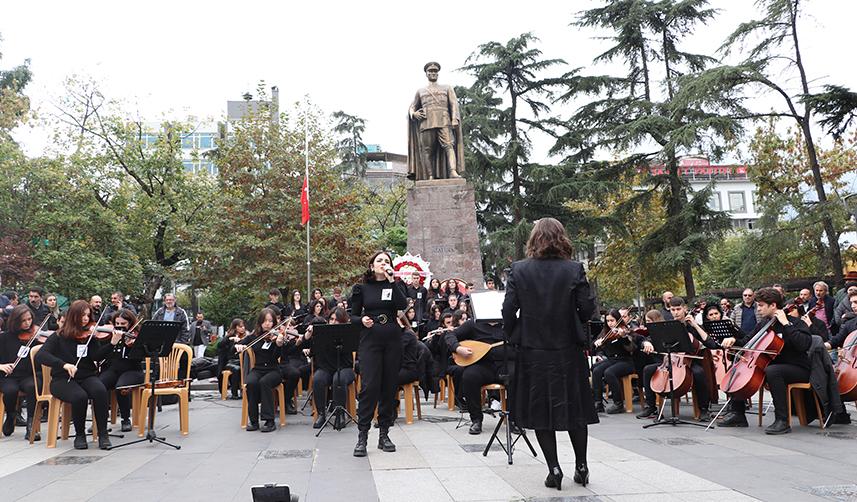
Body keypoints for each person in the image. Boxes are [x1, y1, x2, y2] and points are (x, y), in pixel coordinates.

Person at [502, 218, 597, 490]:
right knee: (575, 406)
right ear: (561, 238)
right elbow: (587, 309)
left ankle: (554, 469)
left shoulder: (519, 270)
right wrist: (572, 321)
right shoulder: (574, 269)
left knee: (541, 408)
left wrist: (515, 332)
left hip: (534, 349)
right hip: (568, 348)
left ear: (534, 239)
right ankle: (581, 465)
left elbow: (509, 309)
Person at [719, 288, 813, 434]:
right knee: (738, 364)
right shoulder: (764, 324)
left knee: (773, 371)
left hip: (798, 368)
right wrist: (734, 341)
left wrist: (786, 324)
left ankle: (782, 420)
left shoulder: (795, 322)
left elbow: (803, 344)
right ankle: (738, 414)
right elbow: (747, 341)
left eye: (761, 305)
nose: (758, 308)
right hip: (773, 367)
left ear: (773, 305)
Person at [35, 300, 120, 449]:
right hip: (62, 380)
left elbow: (96, 356)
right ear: (74, 315)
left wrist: (112, 344)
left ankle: (103, 433)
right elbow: (41, 355)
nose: (86, 319)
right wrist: (63, 364)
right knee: (79, 396)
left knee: (100, 390)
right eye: (83, 315)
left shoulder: (89, 335)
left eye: (88, 315)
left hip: (86, 376)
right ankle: (80, 435)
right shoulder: (58, 336)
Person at [350, 251, 408, 457]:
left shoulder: (394, 285)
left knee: (388, 387)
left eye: (387, 261)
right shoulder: (361, 289)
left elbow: (402, 305)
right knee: (369, 387)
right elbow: (352, 315)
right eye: (380, 261)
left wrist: (393, 281)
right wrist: (362, 320)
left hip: (392, 340)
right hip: (370, 340)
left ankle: (384, 433)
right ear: (372, 265)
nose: (384, 263)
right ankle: (362, 435)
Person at [636, 297, 719, 422]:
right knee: (648, 369)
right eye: (673, 309)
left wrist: (695, 325)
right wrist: (646, 343)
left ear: (684, 309)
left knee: (699, 373)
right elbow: (652, 337)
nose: (675, 312)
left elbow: (711, 344)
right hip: (672, 360)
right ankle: (651, 407)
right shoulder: (669, 325)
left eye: (678, 309)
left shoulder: (694, 326)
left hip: (690, 362)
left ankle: (704, 409)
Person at [444, 315, 511, 434]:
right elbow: (450, 335)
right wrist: (458, 348)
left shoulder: (509, 324)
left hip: (505, 364)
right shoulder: (473, 324)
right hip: (483, 365)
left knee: (519, 375)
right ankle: (476, 419)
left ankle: (514, 420)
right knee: (469, 376)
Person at [407, 61, 465, 180]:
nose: (433, 73)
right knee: (427, 150)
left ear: (438, 73)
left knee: (449, 146)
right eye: (430, 71)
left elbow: (454, 104)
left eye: (435, 71)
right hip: (426, 122)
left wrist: (454, 118)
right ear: (426, 74)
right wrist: (414, 113)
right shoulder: (420, 91)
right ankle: (430, 175)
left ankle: (453, 171)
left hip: (444, 120)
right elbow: (412, 106)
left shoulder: (447, 88)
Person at [235, 308, 286, 433]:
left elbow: (277, 357)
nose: (267, 324)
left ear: (274, 322)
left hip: (274, 370)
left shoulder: (277, 336)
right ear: (260, 322)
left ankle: (269, 421)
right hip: (258, 369)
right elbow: (241, 343)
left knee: (265, 382)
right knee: (251, 383)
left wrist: (279, 344)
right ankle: (253, 420)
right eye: (265, 321)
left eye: (270, 321)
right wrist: (239, 345)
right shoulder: (255, 336)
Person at [304, 308, 356, 429]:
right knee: (317, 379)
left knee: (339, 379)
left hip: (345, 367)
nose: (333, 322)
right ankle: (321, 414)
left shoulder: (347, 333)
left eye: (337, 320)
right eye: (331, 319)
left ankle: (340, 414)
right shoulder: (323, 333)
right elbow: (310, 350)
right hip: (326, 368)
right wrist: (311, 336)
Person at [98, 309, 144, 432]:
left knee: (121, 386)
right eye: (117, 324)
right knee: (98, 386)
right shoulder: (109, 336)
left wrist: (133, 346)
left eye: (123, 324)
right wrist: (112, 343)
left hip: (133, 370)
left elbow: (140, 359)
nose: (119, 327)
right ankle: (100, 420)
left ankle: (125, 419)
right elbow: (100, 355)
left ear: (130, 323)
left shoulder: (136, 336)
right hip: (113, 370)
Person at [0, 305, 41, 440]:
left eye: (29, 319)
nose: (28, 323)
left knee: (32, 387)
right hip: (8, 376)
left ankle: (31, 425)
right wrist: (1, 366)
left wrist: (38, 343)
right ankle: (11, 414)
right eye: (23, 321)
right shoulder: (4, 338)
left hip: (27, 375)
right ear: (15, 321)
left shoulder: (34, 337)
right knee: (10, 390)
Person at [590, 309, 635, 414]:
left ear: (618, 320)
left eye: (612, 320)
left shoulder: (625, 330)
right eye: (608, 321)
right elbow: (595, 346)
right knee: (596, 369)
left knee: (609, 372)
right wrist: (597, 343)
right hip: (612, 360)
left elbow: (631, 348)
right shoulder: (605, 332)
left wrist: (623, 337)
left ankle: (618, 403)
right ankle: (598, 402)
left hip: (626, 361)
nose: (610, 323)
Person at [218, 319, 247, 399]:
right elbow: (220, 346)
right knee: (236, 369)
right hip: (230, 362)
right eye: (240, 326)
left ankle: (244, 390)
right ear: (235, 327)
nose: (243, 328)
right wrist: (231, 340)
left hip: (241, 361)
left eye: (243, 326)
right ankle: (234, 393)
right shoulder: (229, 337)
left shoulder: (246, 337)